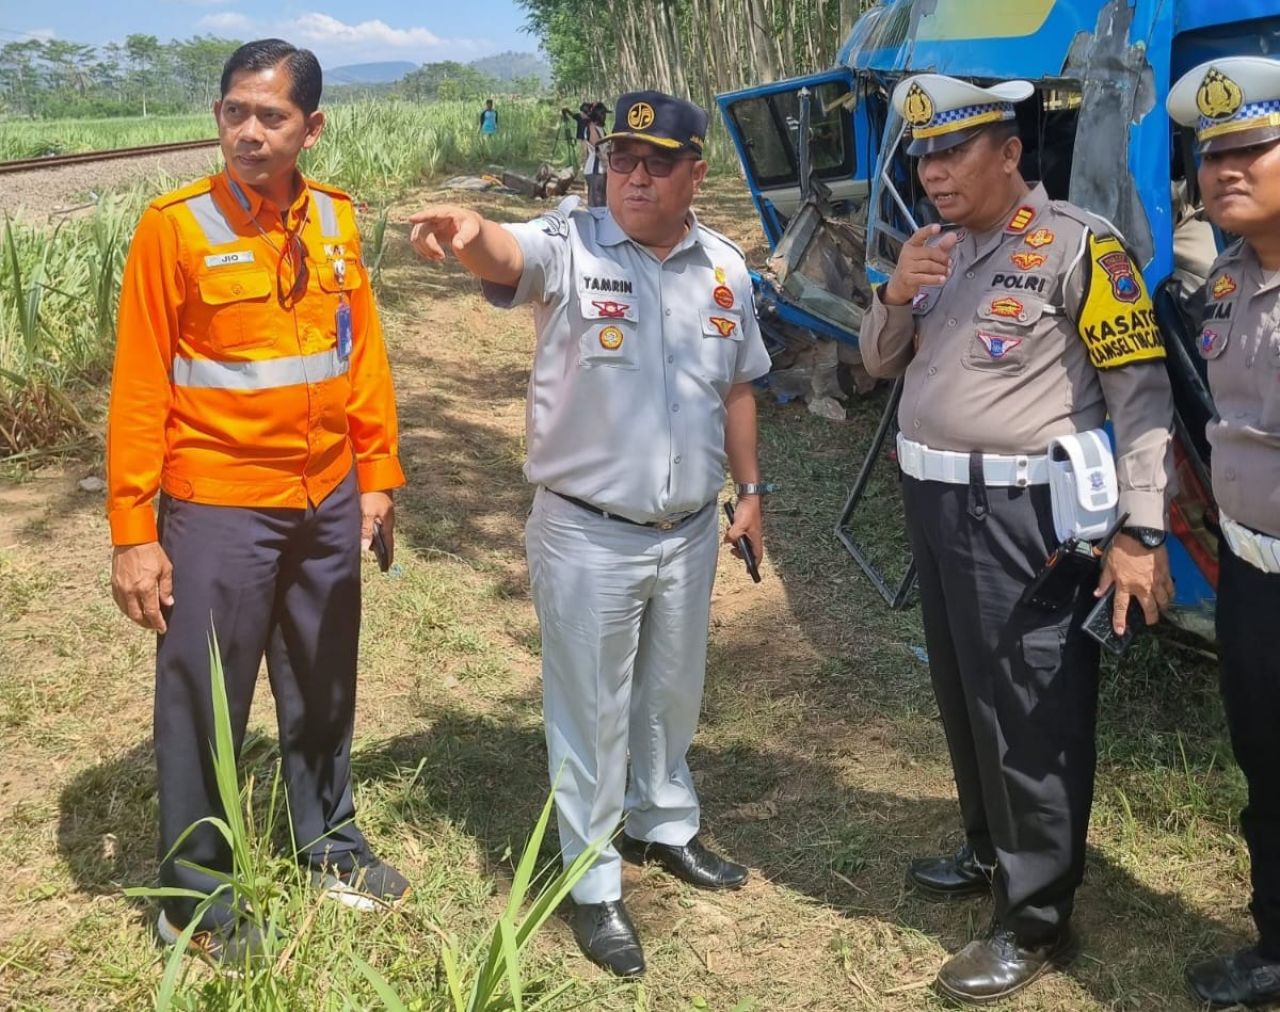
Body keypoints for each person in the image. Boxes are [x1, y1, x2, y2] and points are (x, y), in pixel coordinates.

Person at [409, 89, 771, 978]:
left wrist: (751, 492)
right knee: (590, 709)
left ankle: (663, 823)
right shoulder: (570, 245)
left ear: (695, 172)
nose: (634, 177)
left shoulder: (724, 266)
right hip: (587, 531)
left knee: (670, 696)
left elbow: (737, 387)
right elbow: (507, 254)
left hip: (688, 530)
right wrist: (468, 230)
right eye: (620, 159)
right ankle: (593, 878)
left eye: (655, 163)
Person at [860, 73, 1175, 1004]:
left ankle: (1035, 914)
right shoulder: (938, 250)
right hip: (934, 501)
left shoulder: (1081, 247)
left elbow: (1142, 395)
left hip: (1025, 516)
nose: (933, 173)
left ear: (1009, 154)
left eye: (952, 152)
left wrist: (1142, 529)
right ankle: (988, 847)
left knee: (1031, 707)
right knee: (963, 689)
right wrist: (896, 291)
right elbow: (880, 366)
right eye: (923, 155)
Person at [105, 38, 408, 962]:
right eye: (234, 111)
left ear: (311, 128)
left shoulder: (337, 224)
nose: (248, 131)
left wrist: (378, 476)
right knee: (204, 695)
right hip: (219, 501)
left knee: (322, 678)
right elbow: (139, 385)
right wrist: (133, 531)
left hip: (323, 499)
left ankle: (327, 841)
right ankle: (192, 899)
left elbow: (360, 359)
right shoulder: (177, 226)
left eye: (270, 116)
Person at [1168, 57, 1280, 1009]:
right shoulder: (1228, 282)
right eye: (1213, 156)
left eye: (1252, 148)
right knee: (1267, 768)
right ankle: (1276, 942)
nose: (1225, 171)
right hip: (1251, 573)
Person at [584, 101, 607, 207]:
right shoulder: (591, 128)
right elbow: (597, 145)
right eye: (603, 114)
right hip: (595, 170)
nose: (605, 116)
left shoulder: (599, 129)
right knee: (596, 204)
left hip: (600, 170)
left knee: (601, 202)